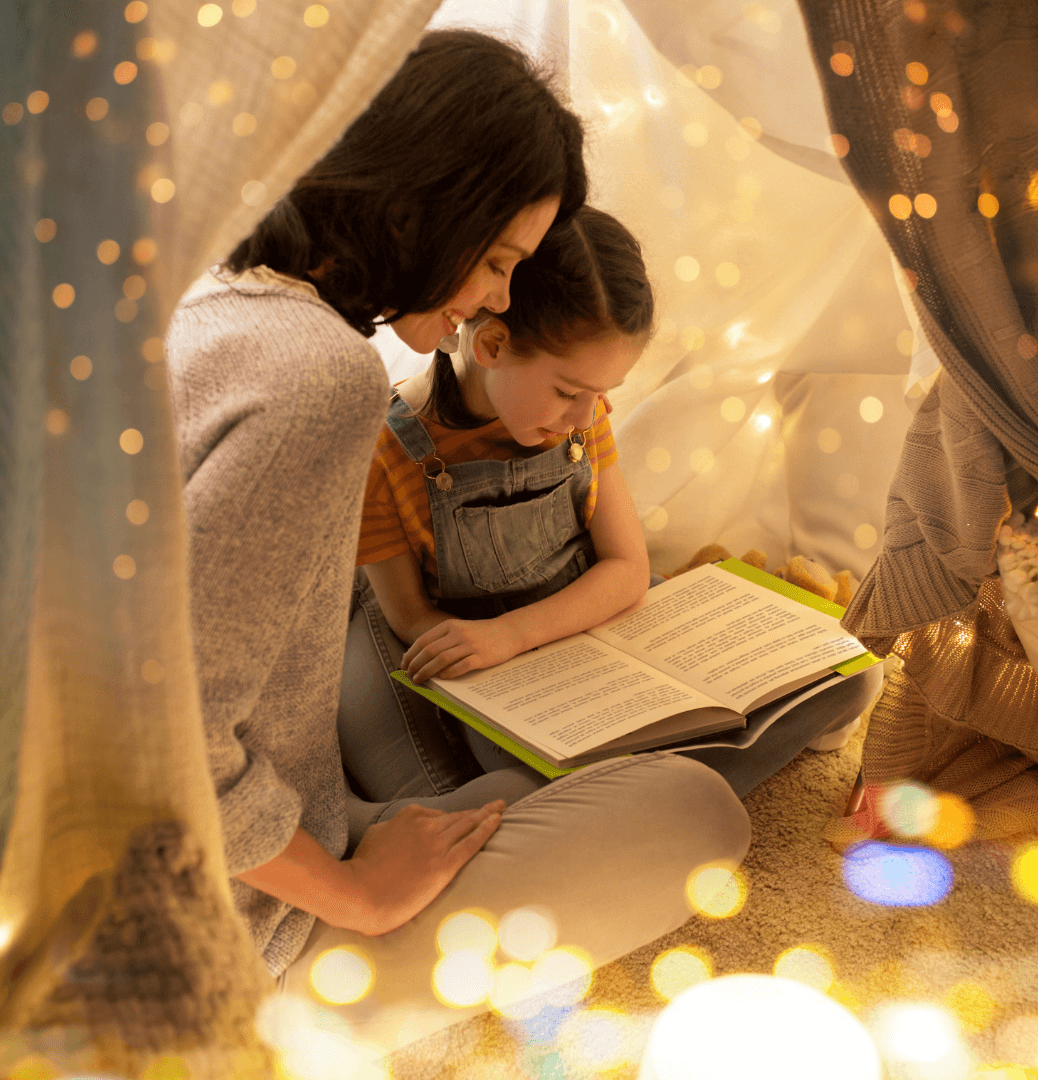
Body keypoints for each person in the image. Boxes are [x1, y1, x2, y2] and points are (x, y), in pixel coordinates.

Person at [164, 27, 750, 1014]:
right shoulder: (322, 379)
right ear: (417, 206)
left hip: (216, 846)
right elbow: (168, 734)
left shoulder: (212, 299)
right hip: (221, 946)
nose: (498, 297)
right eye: (497, 260)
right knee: (699, 812)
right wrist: (353, 890)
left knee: (524, 793)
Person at [342, 204, 883, 820]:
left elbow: (627, 569)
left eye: (600, 396)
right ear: (491, 343)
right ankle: (642, 804)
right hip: (482, 662)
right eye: (568, 391)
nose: (584, 416)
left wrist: (523, 631)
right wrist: (501, 642)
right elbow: (410, 618)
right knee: (499, 784)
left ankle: (619, 809)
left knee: (851, 678)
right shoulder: (385, 450)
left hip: (587, 627)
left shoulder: (582, 417)